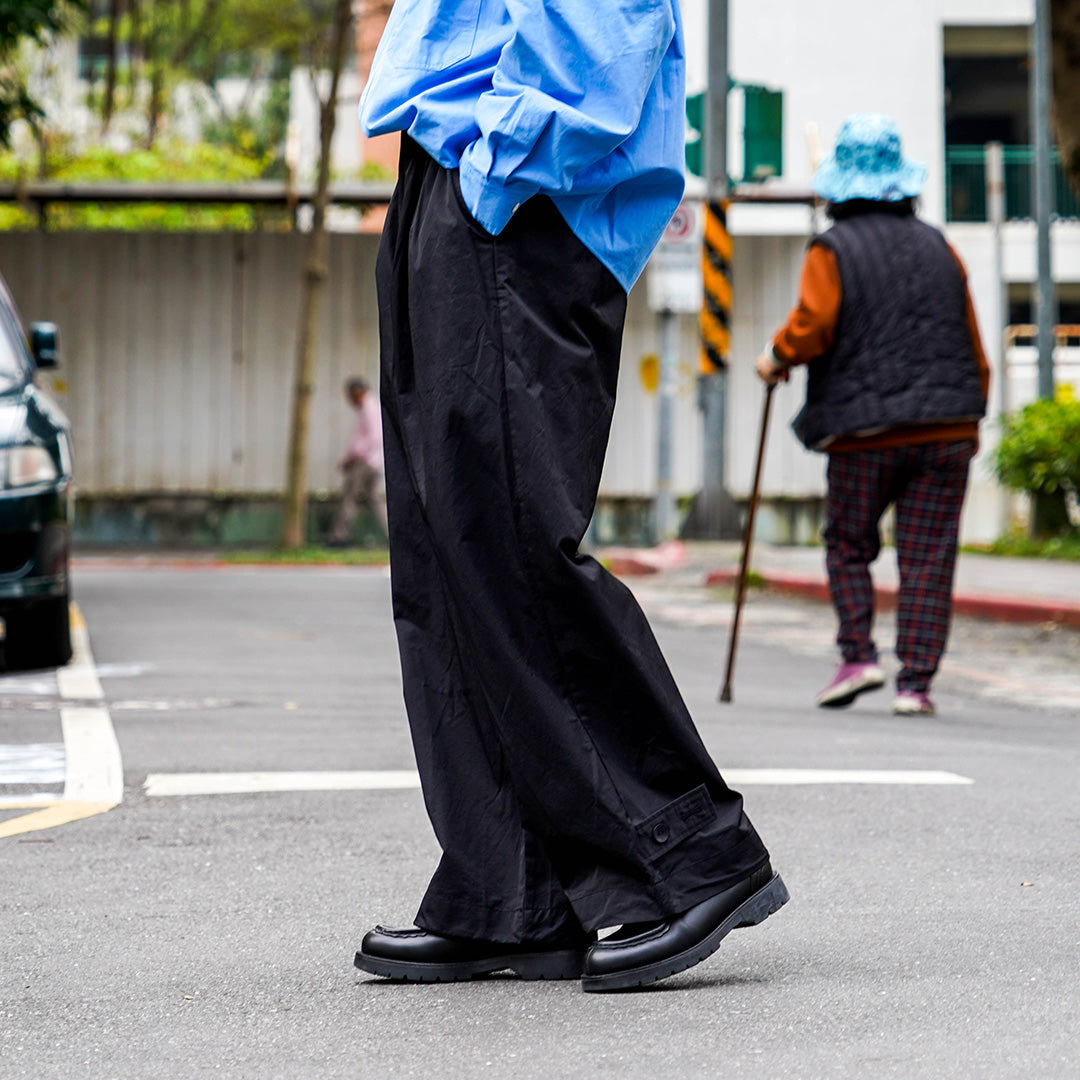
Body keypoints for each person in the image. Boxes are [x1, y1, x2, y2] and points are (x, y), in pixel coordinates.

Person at [351, 0, 787, 991]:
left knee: (508, 533)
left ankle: (685, 857)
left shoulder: (508, 172)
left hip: (516, 188)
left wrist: (498, 166)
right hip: (454, 173)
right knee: (444, 546)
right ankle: (514, 888)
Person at [756, 114, 990, 717]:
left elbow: (813, 325)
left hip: (864, 432)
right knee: (928, 557)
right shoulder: (940, 245)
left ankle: (858, 655)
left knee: (849, 543)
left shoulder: (831, 248)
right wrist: (974, 413)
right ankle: (915, 685)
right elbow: (971, 338)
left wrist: (776, 357)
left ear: (839, 186)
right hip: (947, 427)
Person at [327, 377, 387, 545]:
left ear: (357, 392)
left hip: (364, 461)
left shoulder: (369, 407)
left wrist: (352, 457)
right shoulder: (372, 405)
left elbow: (373, 437)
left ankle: (338, 536)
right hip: (375, 461)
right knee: (375, 498)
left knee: (349, 497)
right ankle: (394, 534)